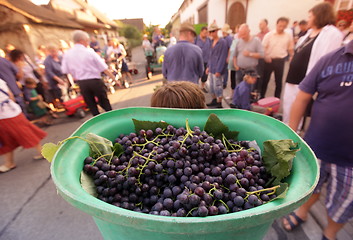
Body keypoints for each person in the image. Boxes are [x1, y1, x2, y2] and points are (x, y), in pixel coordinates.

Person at [283, 39, 353, 240]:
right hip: (316, 148)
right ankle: (302, 212)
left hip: (350, 161)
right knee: (310, 187)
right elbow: (303, 97)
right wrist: (292, 134)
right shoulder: (330, 59)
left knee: (344, 203)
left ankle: (329, 233)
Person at [282, 2, 342, 128]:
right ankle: (287, 129)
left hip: (305, 79)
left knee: (299, 109)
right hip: (293, 77)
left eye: (310, 16)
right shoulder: (309, 33)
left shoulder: (331, 33)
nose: (308, 19)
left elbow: (327, 59)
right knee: (288, 106)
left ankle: (294, 134)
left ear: (319, 16)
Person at [61, 30, 115, 116]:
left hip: (82, 83)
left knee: (91, 104)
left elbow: (65, 70)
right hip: (95, 80)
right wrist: (113, 78)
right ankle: (112, 118)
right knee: (104, 102)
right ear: (82, 40)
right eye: (87, 40)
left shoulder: (68, 54)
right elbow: (103, 67)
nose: (88, 42)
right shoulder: (89, 51)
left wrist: (75, 75)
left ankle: (97, 123)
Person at [0, 79, 46, 173]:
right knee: (8, 138)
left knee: (23, 134)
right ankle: (9, 162)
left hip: (6, 114)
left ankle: (42, 152)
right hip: (11, 111)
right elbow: (10, 95)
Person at [261, 17, 294, 99]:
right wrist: (265, 56)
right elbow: (263, 48)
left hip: (280, 60)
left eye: (284, 26)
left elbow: (290, 48)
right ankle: (261, 98)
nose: (281, 28)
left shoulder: (288, 36)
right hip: (269, 60)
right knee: (265, 80)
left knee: (279, 82)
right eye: (280, 26)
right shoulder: (269, 35)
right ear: (276, 24)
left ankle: (277, 99)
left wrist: (292, 57)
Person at [233, 24, 264, 90]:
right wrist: (235, 65)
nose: (242, 36)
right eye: (241, 34)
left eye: (244, 34)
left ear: (249, 31)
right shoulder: (239, 41)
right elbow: (234, 55)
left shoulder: (256, 41)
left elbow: (262, 54)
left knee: (249, 90)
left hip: (251, 71)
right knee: (239, 88)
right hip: (240, 70)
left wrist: (250, 54)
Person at [206, 23, 229, 108]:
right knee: (212, 86)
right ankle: (214, 100)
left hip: (217, 69)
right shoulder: (211, 42)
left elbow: (223, 57)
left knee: (218, 86)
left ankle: (219, 103)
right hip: (212, 67)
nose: (211, 33)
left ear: (217, 31)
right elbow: (210, 56)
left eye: (213, 31)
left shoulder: (222, 42)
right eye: (210, 32)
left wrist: (219, 70)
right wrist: (208, 66)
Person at [195, 26, 212, 92]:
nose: (206, 34)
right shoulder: (196, 40)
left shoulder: (209, 40)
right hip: (198, 61)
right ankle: (195, 88)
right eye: (204, 33)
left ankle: (202, 87)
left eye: (206, 33)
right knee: (196, 75)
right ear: (201, 32)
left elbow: (211, 50)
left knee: (205, 75)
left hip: (206, 61)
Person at [227, 25, 240, 98]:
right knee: (232, 78)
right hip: (232, 62)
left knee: (237, 79)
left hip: (238, 64)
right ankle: (232, 94)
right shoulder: (234, 39)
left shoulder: (241, 40)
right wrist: (228, 57)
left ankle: (237, 96)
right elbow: (230, 49)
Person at [221, 23, 233, 89]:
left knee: (225, 71)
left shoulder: (228, 38)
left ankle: (224, 83)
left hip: (226, 56)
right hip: (223, 56)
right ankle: (223, 82)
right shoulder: (224, 38)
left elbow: (230, 48)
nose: (222, 32)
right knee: (223, 70)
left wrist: (228, 57)